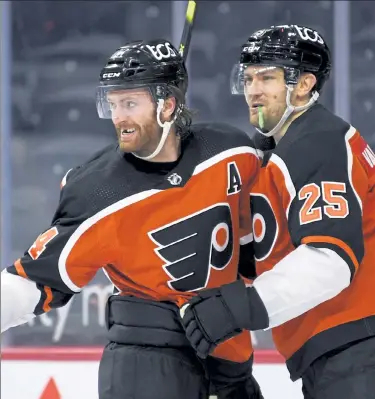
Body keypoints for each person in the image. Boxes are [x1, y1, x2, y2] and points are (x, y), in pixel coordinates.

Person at [1, 39, 264, 399]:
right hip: (148, 362)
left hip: (229, 363)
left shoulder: (233, 151)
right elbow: (32, 283)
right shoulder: (97, 190)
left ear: (168, 105)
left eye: (129, 103)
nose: (118, 116)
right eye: (112, 104)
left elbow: (251, 240)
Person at [180, 25, 375, 399]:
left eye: (267, 77)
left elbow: (330, 259)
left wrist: (239, 308)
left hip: (367, 323)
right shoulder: (271, 156)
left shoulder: (316, 140)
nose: (253, 90)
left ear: (304, 85)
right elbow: (254, 256)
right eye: (247, 78)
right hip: (337, 337)